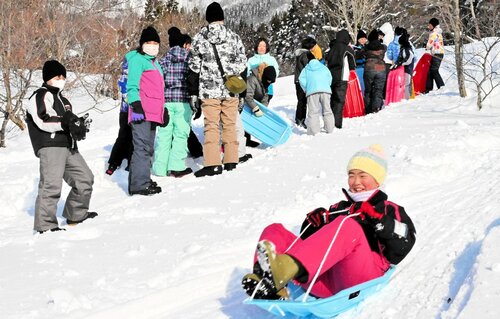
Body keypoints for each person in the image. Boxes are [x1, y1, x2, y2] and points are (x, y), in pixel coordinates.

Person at [241, 144, 416, 300]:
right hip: (325, 282)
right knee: (274, 230)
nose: (356, 182)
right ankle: (266, 282)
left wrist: (376, 219)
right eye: (351, 175)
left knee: (347, 226)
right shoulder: (338, 207)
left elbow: (404, 244)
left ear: (378, 179)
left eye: (363, 176)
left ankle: (280, 272)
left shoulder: (388, 208)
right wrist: (311, 224)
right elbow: (312, 246)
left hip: (361, 278)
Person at [26, 60, 97, 233]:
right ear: (48, 77)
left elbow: (67, 122)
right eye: (57, 76)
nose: (61, 79)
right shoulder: (40, 95)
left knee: (85, 179)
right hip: (50, 145)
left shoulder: (64, 100)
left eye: (63, 76)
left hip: (68, 147)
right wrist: (67, 121)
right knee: (51, 185)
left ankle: (76, 214)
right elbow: (44, 119)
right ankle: (46, 226)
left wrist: (78, 126)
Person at [187, 2, 247, 177]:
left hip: (208, 91)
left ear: (207, 19)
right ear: (222, 18)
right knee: (229, 125)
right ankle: (230, 161)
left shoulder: (199, 38)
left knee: (211, 126)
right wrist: (241, 92)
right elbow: (242, 65)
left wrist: (193, 92)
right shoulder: (234, 37)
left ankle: (212, 164)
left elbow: (193, 67)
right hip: (230, 90)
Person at [127, 26, 168, 195]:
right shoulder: (137, 60)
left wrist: (163, 110)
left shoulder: (155, 63)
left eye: (155, 43)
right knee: (142, 147)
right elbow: (132, 86)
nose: (152, 45)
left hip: (153, 112)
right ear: (142, 44)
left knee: (148, 147)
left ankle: (143, 178)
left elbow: (159, 90)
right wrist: (135, 104)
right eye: (148, 42)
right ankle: (139, 184)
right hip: (141, 111)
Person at [151, 27, 193, 178]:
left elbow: (157, 81)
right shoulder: (189, 59)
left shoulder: (163, 61)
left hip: (166, 103)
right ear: (183, 44)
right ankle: (176, 166)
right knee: (181, 134)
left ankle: (159, 168)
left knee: (164, 135)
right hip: (183, 101)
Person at [238, 64, 277, 162]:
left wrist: (263, 109)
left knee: (249, 122)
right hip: (244, 105)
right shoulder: (252, 79)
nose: (269, 83)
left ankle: (247, 140)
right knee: (241, 124)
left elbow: (265, 96)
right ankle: (242, 141)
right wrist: (255, 108)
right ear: (264, 75)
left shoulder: (265, 82)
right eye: (268, 81)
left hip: (252, 104)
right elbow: (248, 96)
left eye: (271, 82)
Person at [106, 55, 133, 175]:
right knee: (132, 136)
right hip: (133, 110)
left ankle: (114, 162)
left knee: (123, 135)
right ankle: (130, 163)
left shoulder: (123, 77)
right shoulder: (132, 76)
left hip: (124, 110)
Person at [324, 29, 355, 129]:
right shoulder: (346, 48)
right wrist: (352, 69)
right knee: (339, 101)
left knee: (332, 100)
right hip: (342, 77)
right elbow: (353, 62)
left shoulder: (331, 50)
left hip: (331, 78)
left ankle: (329, 122)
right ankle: (336, 124)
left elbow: (326, 61)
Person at [299, 52, 334, 135]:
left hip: (312, 91)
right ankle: (329, 129)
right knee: (327, 110)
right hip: (325, 90)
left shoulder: (306, 69)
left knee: (313, 112)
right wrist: (326, 85)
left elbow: (301, 80)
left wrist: (306, 89)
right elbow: (329, 77)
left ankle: (314, 131)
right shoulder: (323, 67)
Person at [294, 37, 317, 129]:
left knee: (301, 101)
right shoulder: (306, 54)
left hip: (298, 80)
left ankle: (299, 119)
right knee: (303, 101)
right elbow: (310, 67)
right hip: (303, 80)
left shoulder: (300, 53)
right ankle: (300, 120)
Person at [363, 29, 387, 114]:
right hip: (380, 67)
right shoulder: (383, 47)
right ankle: (376, 108)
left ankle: (368, 108)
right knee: (378, 89)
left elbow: (362, 52)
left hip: (369, 67)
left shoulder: (366, 47)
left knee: (368, 90)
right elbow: (385, 47)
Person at [425, 18, 445, 92]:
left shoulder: (434, 34)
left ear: (433, 25)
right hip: (438, 53)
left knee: (434, 70)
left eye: (429, 25)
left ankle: (441, 86)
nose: (428, 26)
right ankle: (428, 88)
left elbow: (429, 44)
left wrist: (426, 47)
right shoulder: (438, 33)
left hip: (437, 53)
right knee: (430, 71)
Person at [393, 33, 415, 100]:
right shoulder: (404, 49)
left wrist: (401, 63)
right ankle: (407, 97)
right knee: (406, 83)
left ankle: (408, 98)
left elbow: (409, 58)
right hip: (406, 69)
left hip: (407, 69)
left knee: (407, 84)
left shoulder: (406, 49)